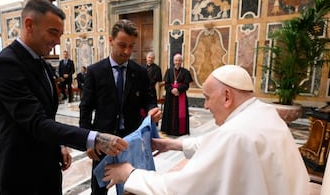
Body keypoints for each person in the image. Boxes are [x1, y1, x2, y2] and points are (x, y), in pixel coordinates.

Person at [0, 0, 128, 195]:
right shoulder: (6, 64)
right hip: (21, 170)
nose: (57, 42)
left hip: (49, 165)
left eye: (60, 34)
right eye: (53, 32)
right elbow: (35, 121)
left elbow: (47, 115)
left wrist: (59, 144)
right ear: (29, 24)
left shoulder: (43, 64)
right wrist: (93, 138)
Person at [102, 65, 310, 195]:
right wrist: (174, 144)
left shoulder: (235, 134)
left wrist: (130, 174)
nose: (206, 106)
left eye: (208, 98)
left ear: (227, 96)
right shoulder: (263, 113)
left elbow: (182, 188)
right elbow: (217, 144)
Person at [79, 19, 162, 195]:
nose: (127, 51)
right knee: (99, 189)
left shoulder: (139, 72)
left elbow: (149, 99)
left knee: (130, 188)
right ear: (110, 40)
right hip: (102, 141)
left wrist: (152, 109)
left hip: (130, 140)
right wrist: (87, 140)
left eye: (131, 46)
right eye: (122, 45)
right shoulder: (95, 71)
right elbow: (85, 108)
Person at [161, 53, 193, 136]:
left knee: (180, 113)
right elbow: (166, 84)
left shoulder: (185, 72)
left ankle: (180, 131)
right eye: (176, 60)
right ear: (173, 61)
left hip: (181, 95)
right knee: (169, 112)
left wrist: (178, 89)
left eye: (179, 60)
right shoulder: (169, 71)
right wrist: (172, 90)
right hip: (170, 96)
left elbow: (186, 85)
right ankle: (168, 130)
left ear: (181, 61)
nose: (177, 62)